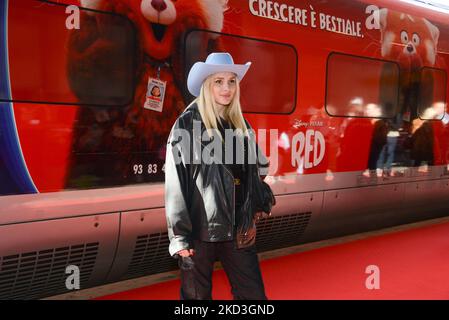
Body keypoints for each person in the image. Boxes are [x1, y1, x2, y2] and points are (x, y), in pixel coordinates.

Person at [164, 52, 271, 300]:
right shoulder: (187, 124)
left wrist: (253, 209)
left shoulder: (241, 125)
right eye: (219, 81)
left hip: (238, 231)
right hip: (199, 232)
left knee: (253, 297)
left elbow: (259, 169)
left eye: (232, 81)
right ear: (206, 85)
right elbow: (175, 184)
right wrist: (180, 238)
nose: (226, 88)